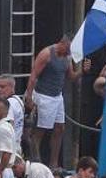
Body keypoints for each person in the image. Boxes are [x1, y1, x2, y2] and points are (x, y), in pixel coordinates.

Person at [23, 35, 86, 170]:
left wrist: (83, 72)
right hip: (43, 96)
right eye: (68, 48)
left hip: (57, 97)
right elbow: (34, 76)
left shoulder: (67, 57)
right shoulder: (47, 54)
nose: (70, 52)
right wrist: (29, 97)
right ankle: (37, 162)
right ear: (62, 44)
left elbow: (71, 76)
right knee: (40, 131)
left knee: (59, 128)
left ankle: (54, 164)